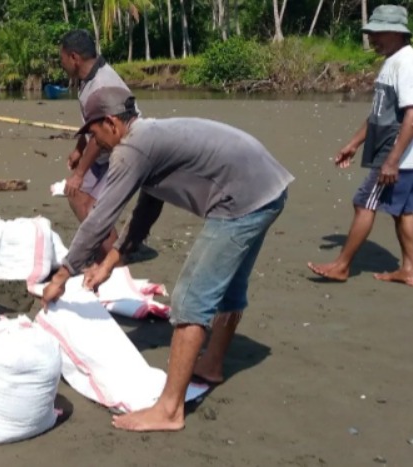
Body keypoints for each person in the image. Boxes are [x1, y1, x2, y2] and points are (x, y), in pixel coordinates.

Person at [41, 86, 293, 432]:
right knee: (229, 284)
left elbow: (100, 218)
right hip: (268, 188)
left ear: (112, 123)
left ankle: (169, 409)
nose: (95, 142)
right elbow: (148, 208)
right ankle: (212, 365)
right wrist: (109, 263)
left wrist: (62, 275)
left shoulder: (131, 149)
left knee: (190, 298)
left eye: (95, 134)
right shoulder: (149, 137)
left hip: (241, 200)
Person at [308, 5, 413, 286]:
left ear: (396, 33)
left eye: (378, 33)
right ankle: (409, 269)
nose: (372, 38)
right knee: (404, 212)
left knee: (363, 202)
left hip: (395, 155)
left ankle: (342, 266)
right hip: (400, 155)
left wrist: (392, 161)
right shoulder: (392, 61)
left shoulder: (406, 63)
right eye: (371, 33)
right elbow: (379, 114)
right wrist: (353, 144)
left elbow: (412, 115)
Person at [58, 30, 160, 261]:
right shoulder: (88, 78)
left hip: (126, 150)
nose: (61, 64)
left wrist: (79, 173)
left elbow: (101, 136)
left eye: (62, 58)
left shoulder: (101, 85)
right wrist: (78, 149)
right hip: (104, 150)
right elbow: (92, 124)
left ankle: (114, 261)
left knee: (94, 208)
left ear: (74, 57)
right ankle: (107, 249)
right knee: (76, 196)